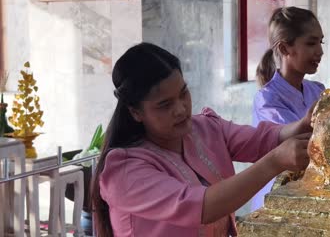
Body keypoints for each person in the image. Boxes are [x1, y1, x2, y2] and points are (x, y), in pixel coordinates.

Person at [91, 42, 317, 236]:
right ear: (136, 112)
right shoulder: (125, 170)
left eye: (183, 94)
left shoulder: (204, 128)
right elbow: (203, 206)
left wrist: (303, 125)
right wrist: (275, 162)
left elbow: (260, 139)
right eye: (164, 105)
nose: (180, 109)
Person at [250, 7, 325, 212]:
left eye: (321, 42)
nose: (320, 51)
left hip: (309, 193)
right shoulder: (267, 99)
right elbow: (301, 142)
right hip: (276, 197)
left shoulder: (318, 90)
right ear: (284, 49)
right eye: (311, 43)